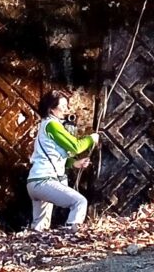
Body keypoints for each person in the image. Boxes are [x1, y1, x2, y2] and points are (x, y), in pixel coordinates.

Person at [27, 90, 99, 231]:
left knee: (40, 227)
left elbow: (52, 154)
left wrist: (74, 163)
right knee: (79, 202)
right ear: (51, 109)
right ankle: (71, 235)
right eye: (63, 105)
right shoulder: (52, 125)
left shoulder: (44, 126)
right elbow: (76, 146)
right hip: (45, 181)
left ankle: (38, 251)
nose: (66, 109)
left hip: (35, 182)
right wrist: (91, 139)